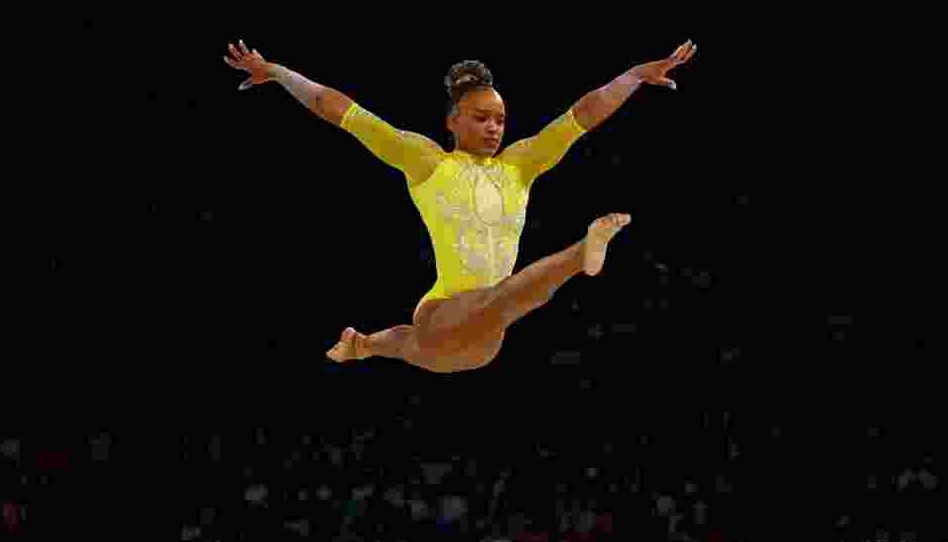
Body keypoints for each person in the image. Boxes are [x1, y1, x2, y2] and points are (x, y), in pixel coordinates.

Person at [223, 39, 696, 373]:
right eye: (481, 118)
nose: (494, 128)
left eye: (501, 120)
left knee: (413, 341)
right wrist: (279, 73)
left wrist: (633, 76)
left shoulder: (520, 165)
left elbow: (582, 114)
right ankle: (580, 255)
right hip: (444, 312)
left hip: (481, 345)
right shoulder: (427, 161)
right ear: (453, 120)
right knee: (498, 299)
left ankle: (361, 346)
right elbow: (343, 111)